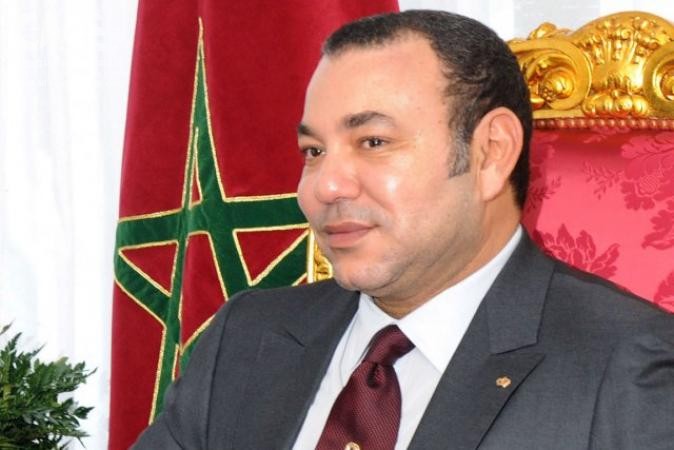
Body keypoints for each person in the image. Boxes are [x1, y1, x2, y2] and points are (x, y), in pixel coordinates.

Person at [134, 10, 674, 449]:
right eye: (313, 151)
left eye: (373, 142)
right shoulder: (247, 337)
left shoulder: (629, 367)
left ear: (491, 154)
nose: (325, 186)